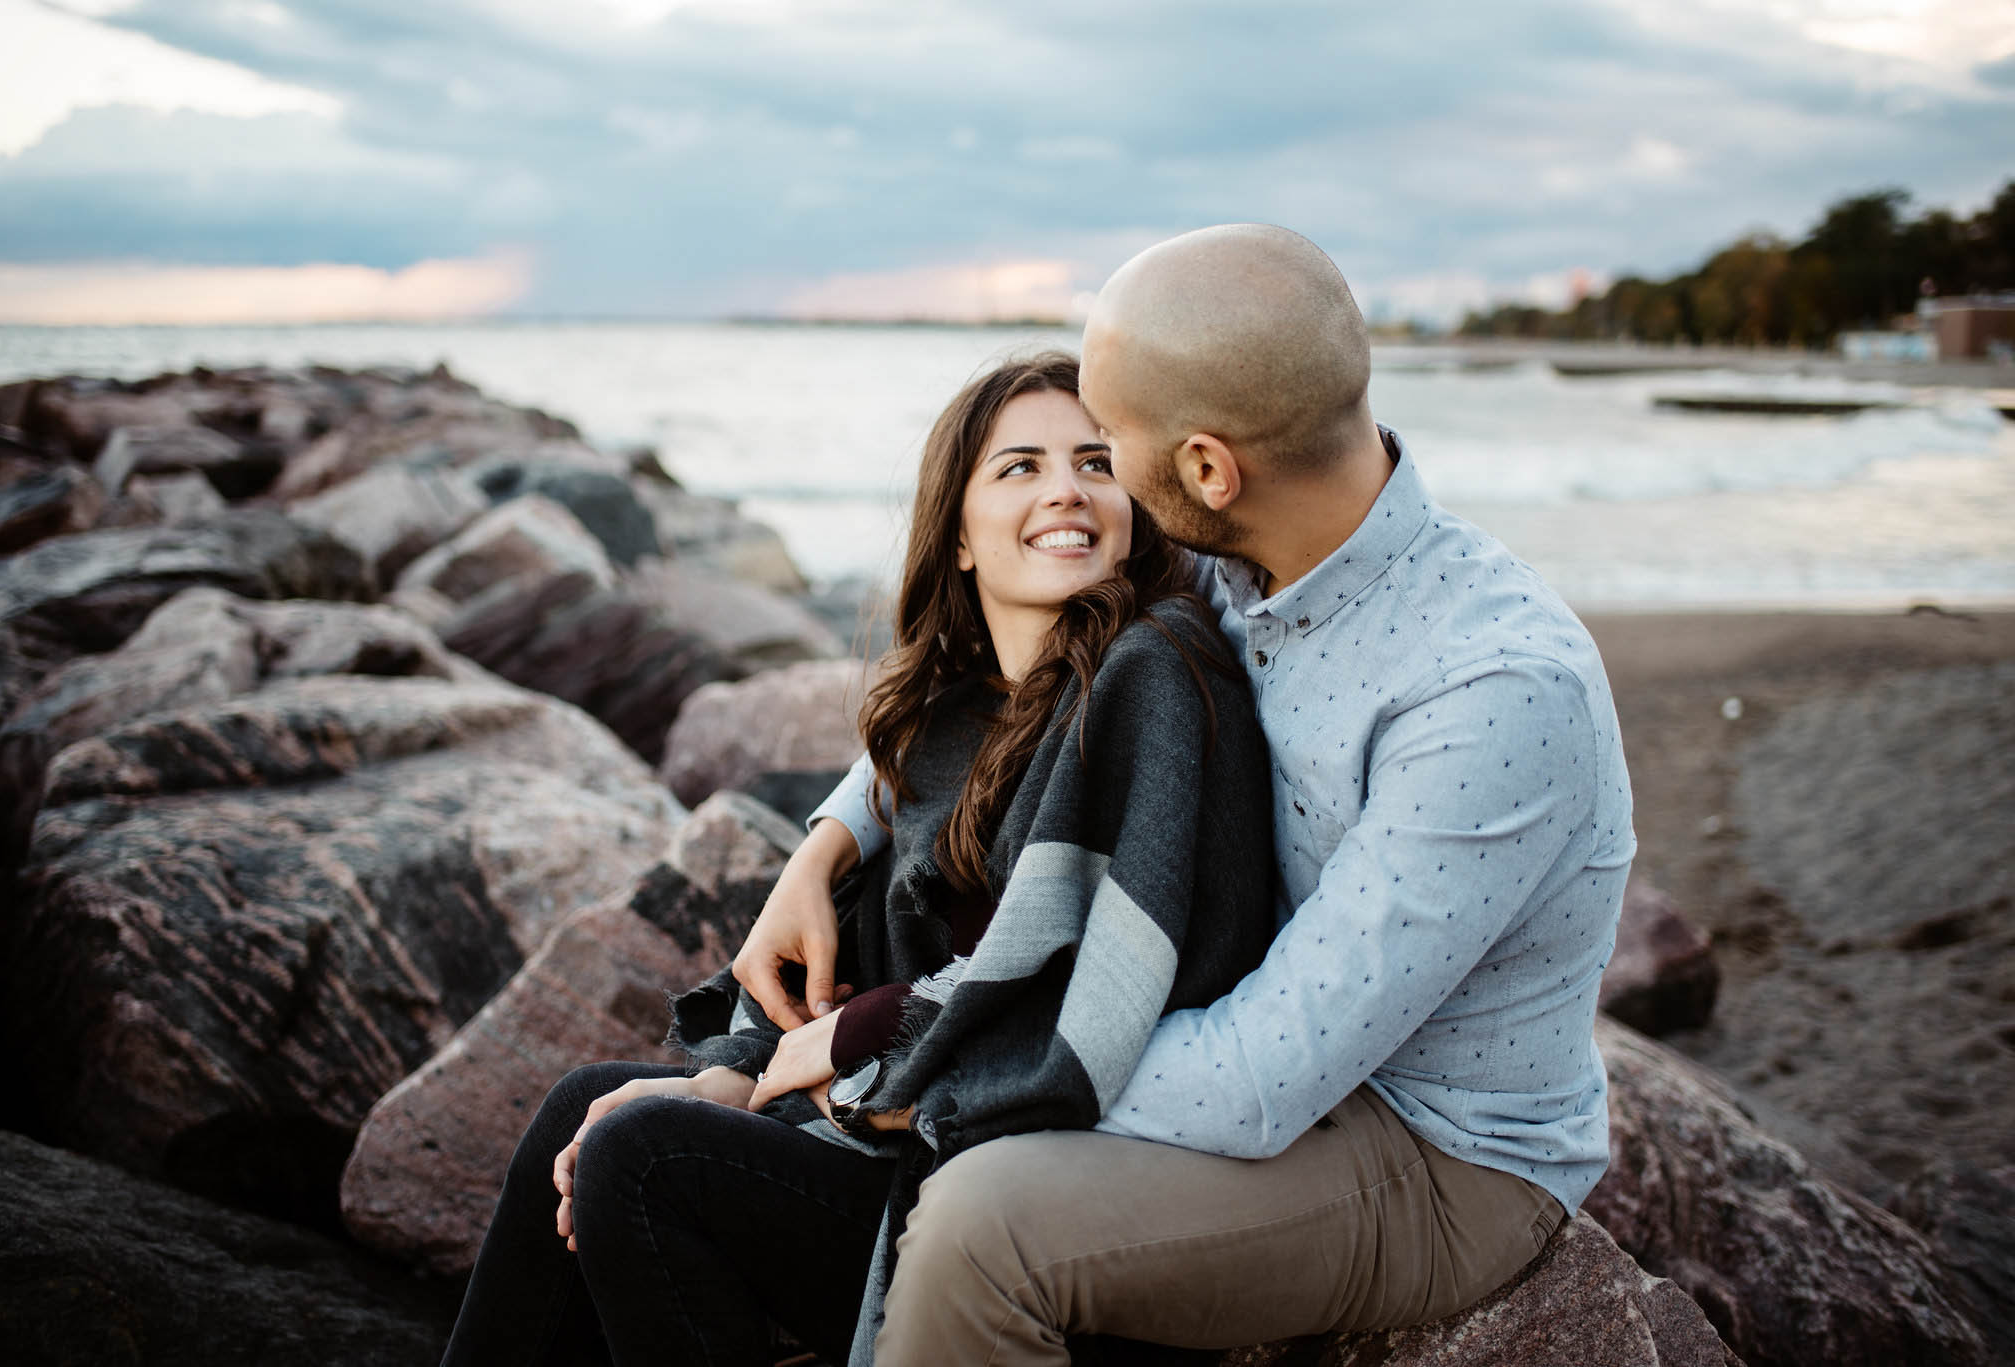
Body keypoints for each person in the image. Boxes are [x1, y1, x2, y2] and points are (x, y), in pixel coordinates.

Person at [747, 225, 1638, 1364]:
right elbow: (1008, 694)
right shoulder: (1233, 556)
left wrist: (908, 1073)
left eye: (1108, 442)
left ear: (1207, 469)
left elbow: (1258, 1078)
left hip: (1433, 1146)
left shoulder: (1490, 692)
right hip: (1265, 1045)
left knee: (982, 1220)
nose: (1092, 471)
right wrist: (826, 840)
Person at [438, 351, 1275, 1367]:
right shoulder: (953, 722)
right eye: (1019, 467)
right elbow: (867, 959)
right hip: (934, 1132)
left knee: (643, 1158)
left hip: (1042, 1191)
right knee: (587, 1104)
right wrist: (758, 1043)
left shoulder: (1156, 669)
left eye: (1094, 461)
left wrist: (812, 1054)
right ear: (958, 536)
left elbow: (1085, 989)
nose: (1066, 487)